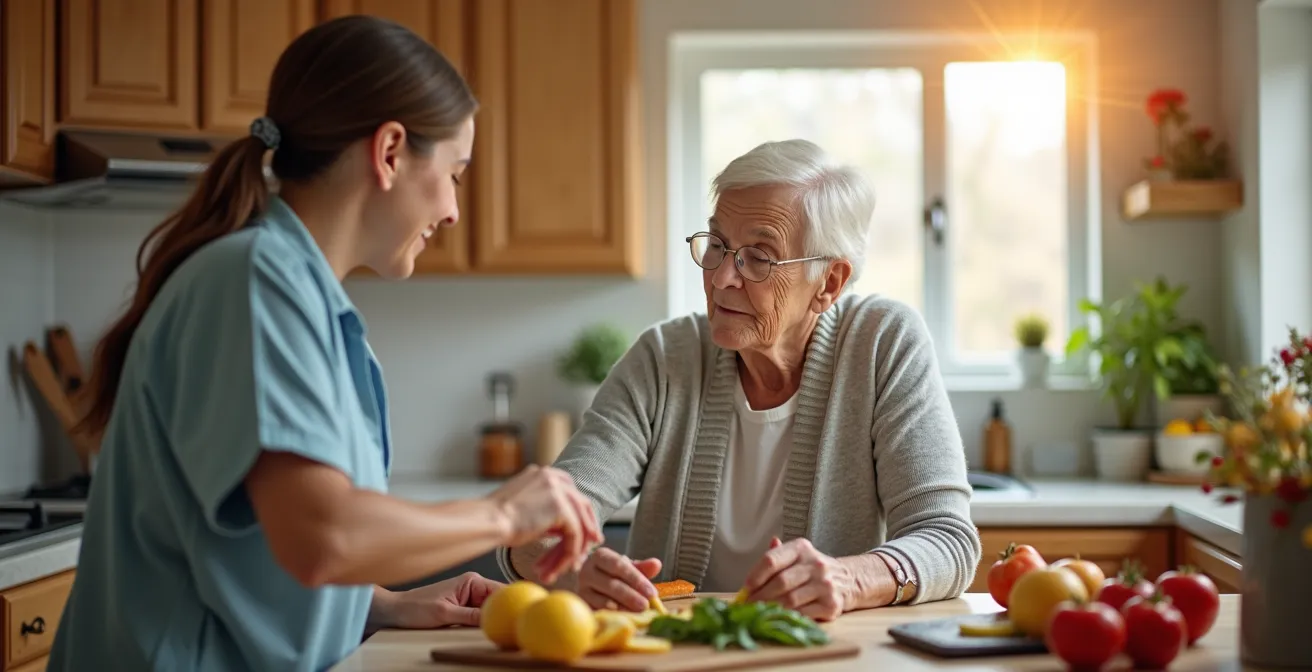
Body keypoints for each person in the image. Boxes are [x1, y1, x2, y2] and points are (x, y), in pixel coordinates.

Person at [47, 16, 601, 672]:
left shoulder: (296, 294)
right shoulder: (253, 282)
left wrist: (378, 605)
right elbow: (323, 536)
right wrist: (504, 512)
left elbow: (258, 545)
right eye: (455, 172)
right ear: (390, 151)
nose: (453, 210)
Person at [499, 139, 982, 622]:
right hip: (675, 654)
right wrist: (572, 572)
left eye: (759, 257)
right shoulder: (663, 359)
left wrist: (850, 578)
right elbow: (537, 523)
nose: (722, 277)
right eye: (718, 246)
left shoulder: (882, 344)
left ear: (829, 283)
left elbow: (947, 539)